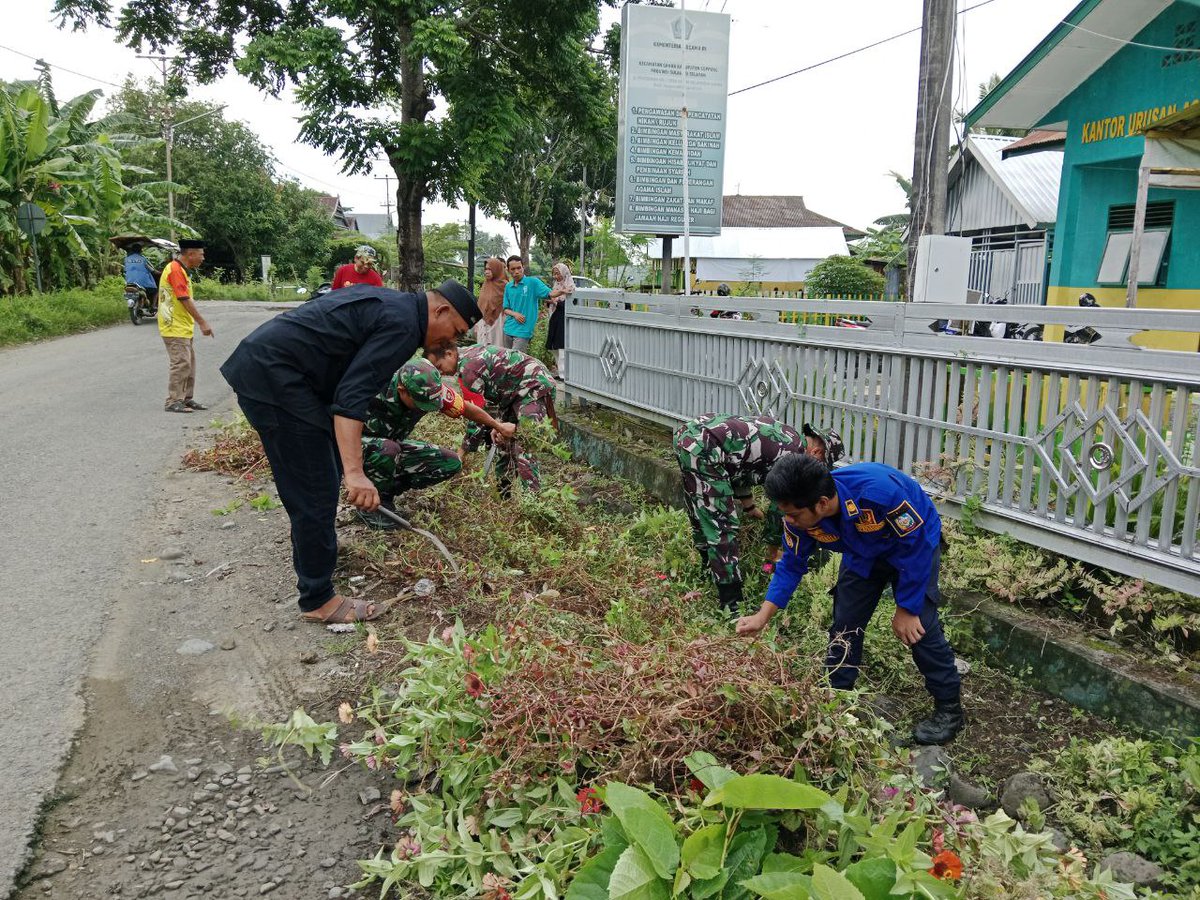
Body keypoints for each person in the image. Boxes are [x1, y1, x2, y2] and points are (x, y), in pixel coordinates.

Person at [220, 279, 480, 625]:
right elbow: (352, 398)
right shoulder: (404, 326)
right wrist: (355, 473)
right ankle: (319, 599)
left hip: (278, 373)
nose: (452, 341)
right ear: (441, 310)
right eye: (455, 331)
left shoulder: (396, 308)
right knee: (315, 484)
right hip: (276, 377)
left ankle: (314, 553)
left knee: (320, 474)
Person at [737, 454, 965, 745]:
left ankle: (950, 711)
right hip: (862, 553)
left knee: (921, 629)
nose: (788, 520)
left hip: (912, 547)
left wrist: (907, 608)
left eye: (793, 514)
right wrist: (762, 616)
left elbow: (917, 547)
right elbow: (791, 565)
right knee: (845, 624)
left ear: (821, 503)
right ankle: (835, 696)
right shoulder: (800, 516)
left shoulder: (881, 495)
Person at [673, 413, 843, 611]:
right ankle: (731, 603)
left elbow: (741, 467)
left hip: (689, 435)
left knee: (700, 508)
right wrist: (773, 549)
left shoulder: (787, 435)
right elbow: (780, 509)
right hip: (705, 447)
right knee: (720, 523)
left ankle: (706, 570)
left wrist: (749, 507)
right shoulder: (793, 457)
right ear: (817, 452)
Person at [358, 358, 517, 529]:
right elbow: (341, 427)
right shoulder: (371, 390)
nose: (424, 409)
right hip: (352, 450)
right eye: (421, 405)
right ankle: (370, 508)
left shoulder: (431, 391)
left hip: (389, 449)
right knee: (388, 449)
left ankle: (386, 493)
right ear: (402, 390)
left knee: (451, 462)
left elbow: (466, 408)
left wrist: (497, 425)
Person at [430, 344, 557, 494]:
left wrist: (462, 453)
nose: (441, 372)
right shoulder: (465, 358)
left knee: (524, 443)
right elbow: (489, 398)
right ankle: (504, 494)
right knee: (502, 440)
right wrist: (497, 425)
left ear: (449, 354)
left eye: (439, 366)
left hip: (534, 385)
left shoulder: (469, 369)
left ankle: (532, 501)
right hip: (511, 393)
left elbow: (476, 416)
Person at [158, 238, 213, 414]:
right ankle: (173, 401)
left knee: (189, 364)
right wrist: (202, 322)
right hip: (174, 326)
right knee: (181, 363)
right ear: (190, 254)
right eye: (201, 254)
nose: (203, 258)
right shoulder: (175, 270)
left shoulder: (181, 269)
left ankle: (186, 399)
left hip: (182, 326)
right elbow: (183, 298)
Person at [501, 255, 549, 353]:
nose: (517, 271)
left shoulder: (533, 282)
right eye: (513, 269)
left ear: (523, 267)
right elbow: (505, 309)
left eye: (519, 268)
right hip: (508, 329)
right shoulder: (508, 286)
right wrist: (515, 314)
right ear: (508, 270)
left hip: (523, 331)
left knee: (517, 361)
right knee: (507, 361)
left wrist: (563, 290)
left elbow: (550, 294)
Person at [546, 262, 575, 380]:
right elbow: (553, 299)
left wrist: (556, 301)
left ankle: (564, 374)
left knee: (562, 346)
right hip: (555, 318)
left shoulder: (570, 286)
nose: (556, 276)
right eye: (554, 274)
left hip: (564, 319)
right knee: (554, 347)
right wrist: (552, 302)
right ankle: (560, 371)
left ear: (564, 273)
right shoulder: (556, 286)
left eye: (557, 274)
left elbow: (572, 303)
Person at [474, 257, 507, 347]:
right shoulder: (485, 284)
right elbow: (481, 304)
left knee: (496, 348)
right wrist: (477, 323)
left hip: (498, 321)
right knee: (482, 349)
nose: (487, 272)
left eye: (490, 269)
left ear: (496, 269)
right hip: (483, 321)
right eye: (486, 269)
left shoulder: (505, 285)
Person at [124, 243, 158, 309]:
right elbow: (152, 270)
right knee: (155, 290)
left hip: (129, 282)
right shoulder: (143, 259)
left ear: (132, 250)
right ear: (140, 251)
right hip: (143, 283)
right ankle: (153, 306)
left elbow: (125, 270)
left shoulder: (126, 259)